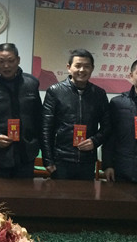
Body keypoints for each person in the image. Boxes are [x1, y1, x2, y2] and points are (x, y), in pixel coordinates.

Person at [0, 43, 42, 178]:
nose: (6, 66)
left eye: (11, 61)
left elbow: (39, 118)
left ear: (18, 60)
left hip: (25, 156)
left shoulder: (31, 83)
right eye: (1, 61)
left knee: (25, 191)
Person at [41, 49, 111, 180]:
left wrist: (94, 141)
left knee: (85, 193)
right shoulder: (55, 91)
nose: (82, 70)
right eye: (78, 65)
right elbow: (45, 128)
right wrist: (48, 160)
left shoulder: (99, 94)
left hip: (87, 160)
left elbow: (108, 126)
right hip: (61, 160)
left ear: (92, 68)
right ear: (69, 67)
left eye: (86, 66)